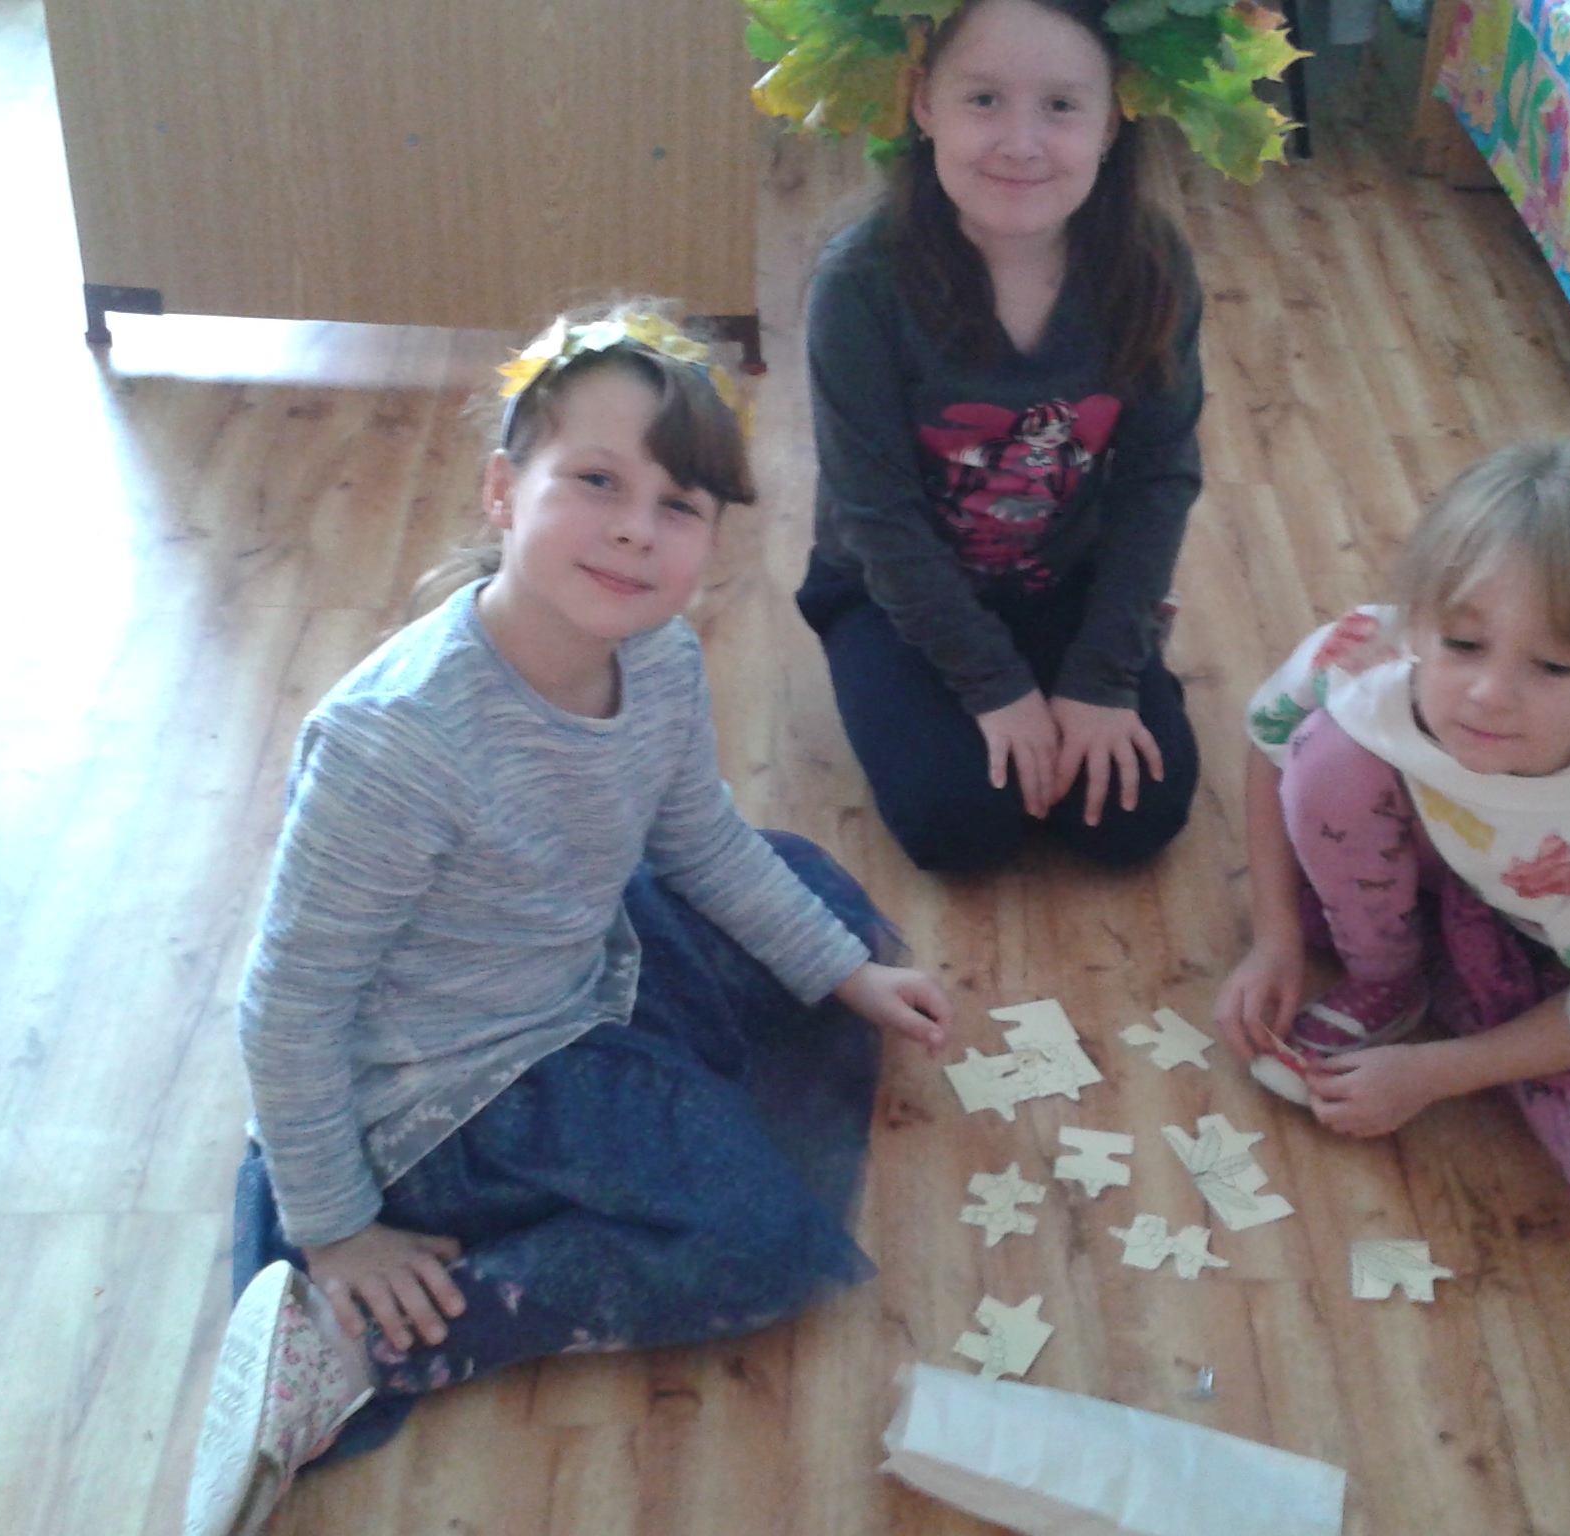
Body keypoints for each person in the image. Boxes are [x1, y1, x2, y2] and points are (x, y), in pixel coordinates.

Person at [182, 306, 955, 1536]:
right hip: (449, 1091)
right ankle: (353, 1347)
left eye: (678, 504)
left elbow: (700, 839)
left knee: (805, 887)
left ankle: (642, 1106)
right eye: (596, 481)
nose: (636, 528)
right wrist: (338, 1233)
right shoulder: (394, 745)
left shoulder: (659, 658)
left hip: (573, 959)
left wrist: (842, 974)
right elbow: (289, 1008)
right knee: (754, 1240)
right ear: (502, 490)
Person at [1212, 440, 1570, 1224]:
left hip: (1569, 964)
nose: (1491, 693)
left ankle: (1476, 1002)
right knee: (1327, 754)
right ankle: (1392, 978)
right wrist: (1275, 938)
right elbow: (1269, 741)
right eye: (1462, 645)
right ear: (1417, 622)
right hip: (1448, 868)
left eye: (1552, 666)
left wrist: (1433, 1074)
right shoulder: (1370, 653)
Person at [792, 0, 1213, 874]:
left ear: (1112, 119)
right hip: (889, 593)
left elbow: (1158, 479)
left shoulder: (1150, 264)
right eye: (983, 99)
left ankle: (1102, 662)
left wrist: (1102, 677)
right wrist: (997, 688)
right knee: (960, 824)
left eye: (1061, 106)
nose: (1021, 144)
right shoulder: (860, 284)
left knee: (1136, 815)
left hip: (1062, 577)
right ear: (924, 102)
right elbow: (876, 517)